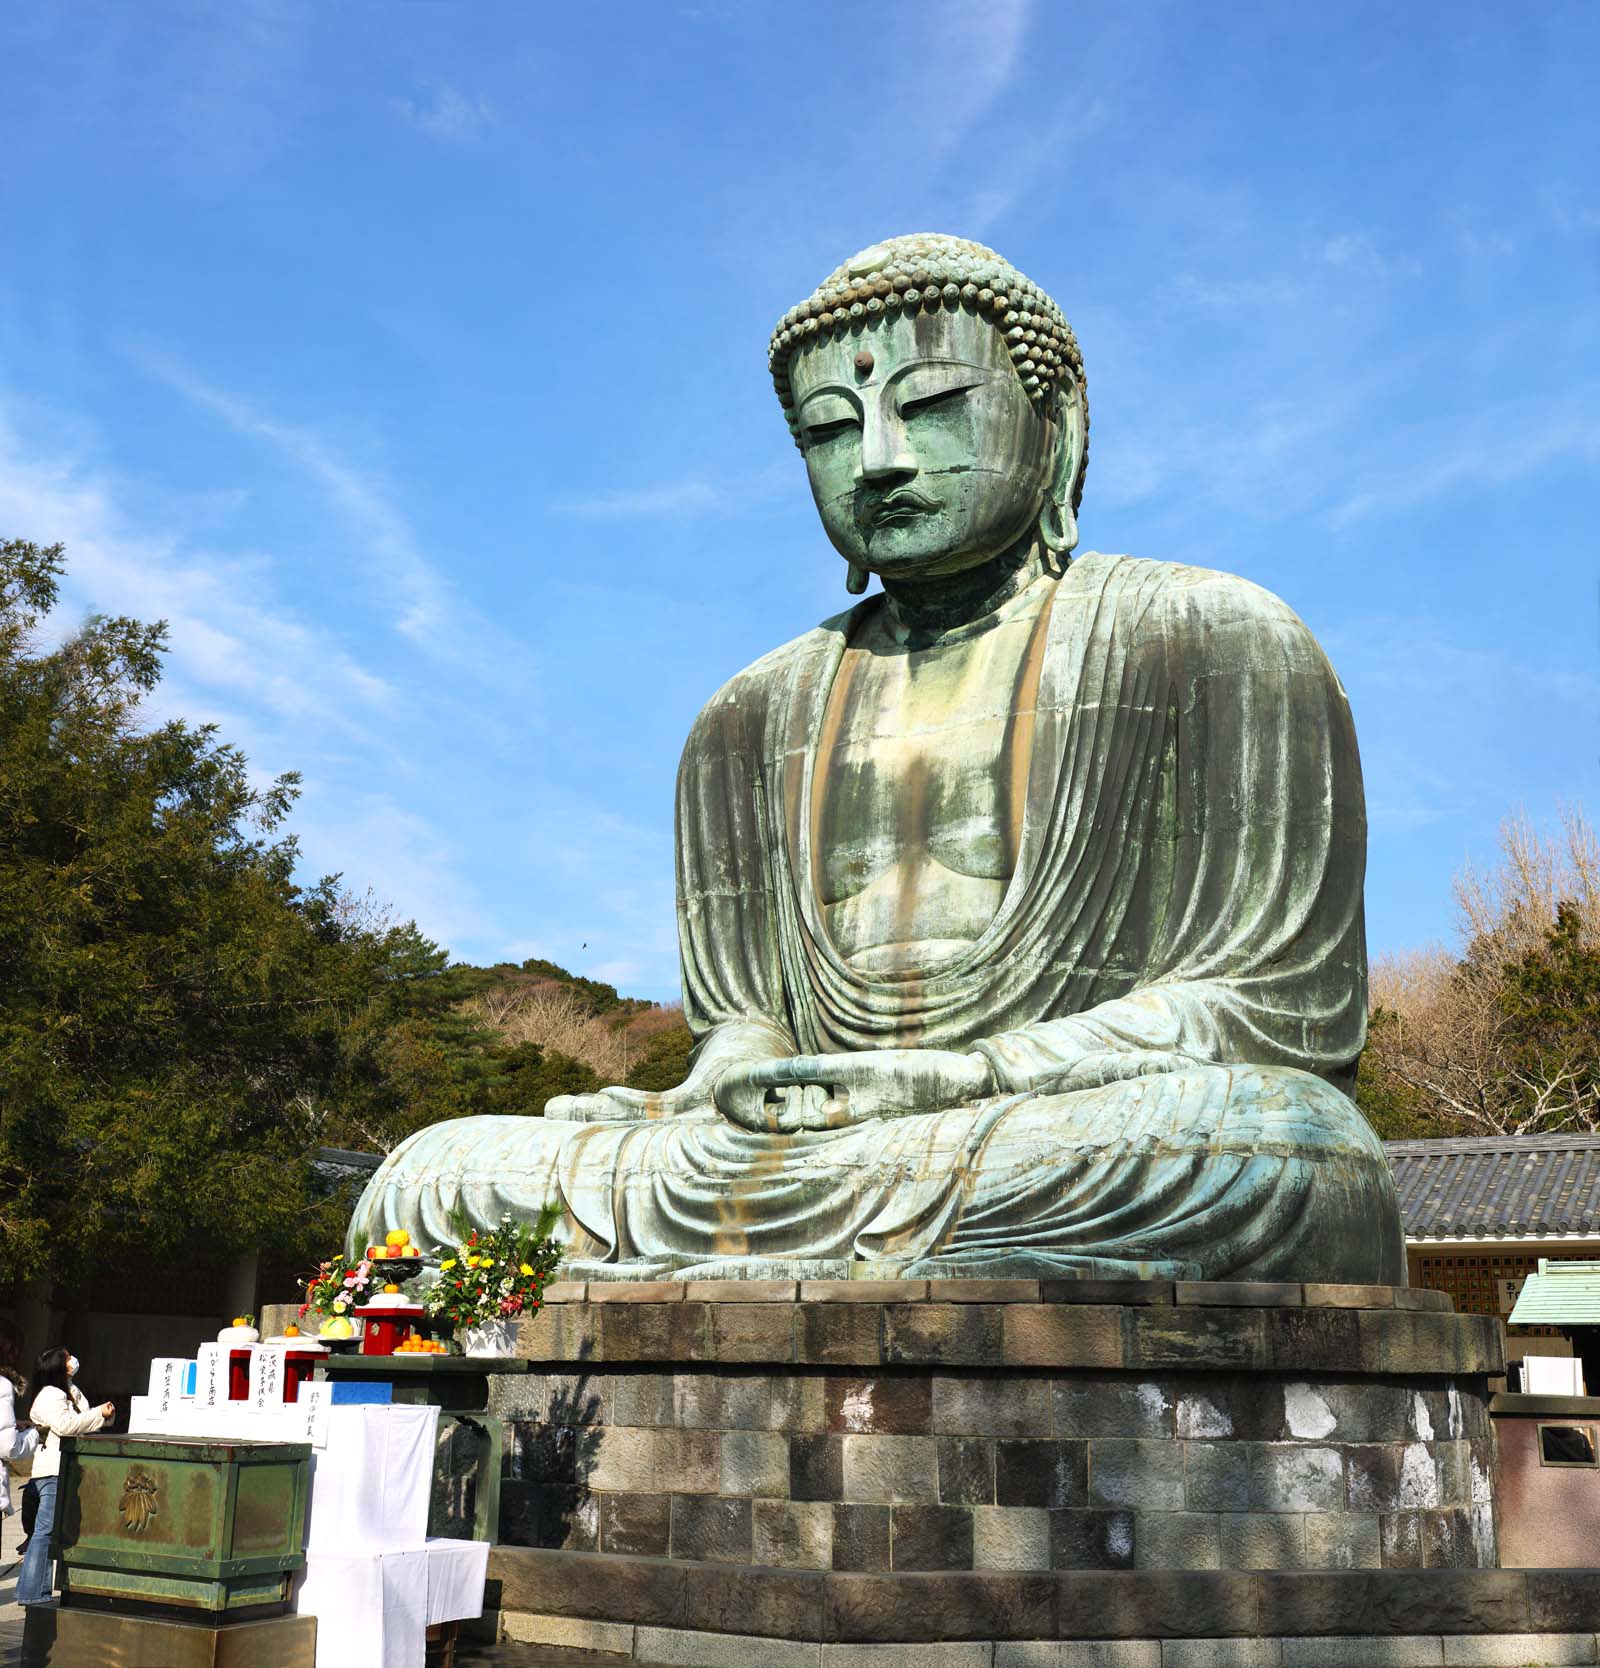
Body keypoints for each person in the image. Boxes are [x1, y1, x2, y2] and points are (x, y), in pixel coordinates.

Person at [349, 232, 1405, 1285]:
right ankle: (839, 1258)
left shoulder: (1215, 639)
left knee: (1280, 1148)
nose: (882, 459)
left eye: (934, 405)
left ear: (1060, 426)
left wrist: (958, 1077)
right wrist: (721, 1083)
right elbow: (747, 1021)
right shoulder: (746, 717)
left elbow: (1276, 1013)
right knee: (429, 1181)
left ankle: (773, 1262)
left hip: (1050, 1124)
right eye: (829, 430)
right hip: (818, 1148)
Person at [15, 1347, 112, 1606]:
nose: (73, 1360)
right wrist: (98, 1414)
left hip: (64, 1468)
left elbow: (82, 1421)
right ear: (59, 1365)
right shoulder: (52, 1394)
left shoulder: (68, 1391)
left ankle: (34, 1590)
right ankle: (34, 1592)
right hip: (52, 1470)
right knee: (45, 1532)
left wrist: (102, 1416)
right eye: (67, 1357)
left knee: (48, 1531)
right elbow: (66, 1426)